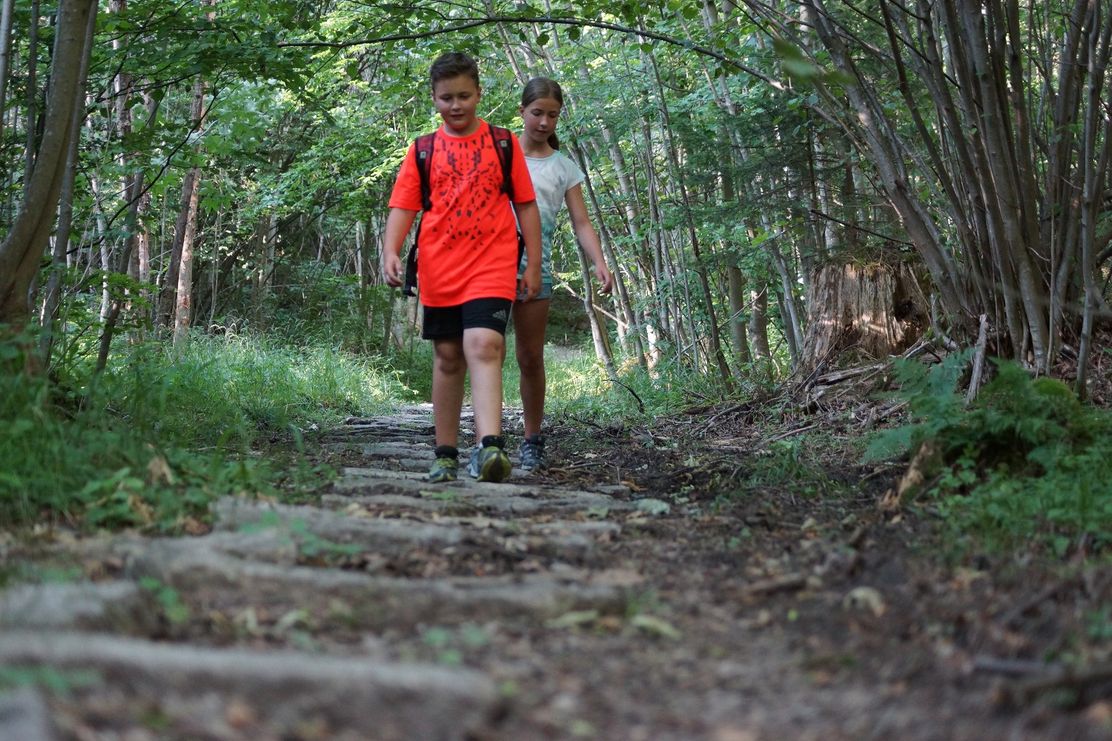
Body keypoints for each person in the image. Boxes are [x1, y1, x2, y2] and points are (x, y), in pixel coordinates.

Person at [383, 52, 542, 483]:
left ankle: (491, 447)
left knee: (484, 344)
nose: (456, 105)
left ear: (479, 94)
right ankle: (446, 454)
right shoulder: (423, 150)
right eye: (446, 98)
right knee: (449, 356)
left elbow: (526, 206)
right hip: (440, 267)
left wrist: (533, 264)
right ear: (434, 98)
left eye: (464, 96)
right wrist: (390, 250)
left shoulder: (503, 144)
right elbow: (403, 207)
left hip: (493, 261)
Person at [473, 77, 613, 474]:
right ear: (522, 112)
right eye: (537, 113)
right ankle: (487, 441)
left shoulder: (563, 167)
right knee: (487, 353)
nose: (544, 122)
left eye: (552, 115)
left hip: (536, 270)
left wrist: (600, 262)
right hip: (489, 267)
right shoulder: (499, 154)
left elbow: (581, 222)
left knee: (530, 357)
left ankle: (533, 440)